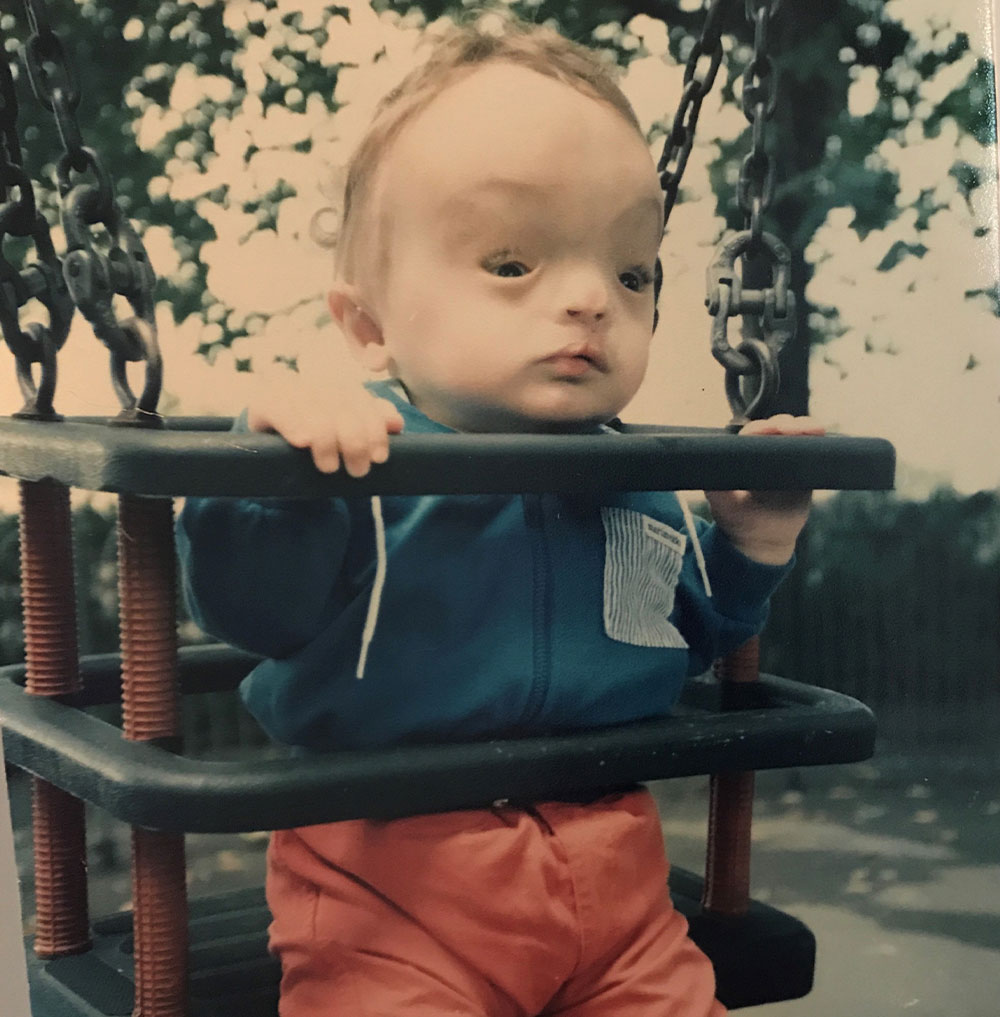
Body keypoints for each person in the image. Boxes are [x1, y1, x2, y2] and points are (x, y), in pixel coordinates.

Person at [177, 15, 822, 1017]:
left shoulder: (634, 475)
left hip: (616, 886)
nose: (588, 301)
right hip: (387, 883)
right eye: (513, 263)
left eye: (630, 272)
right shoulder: (355, 459)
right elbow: (248, 611)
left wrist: (753, 540)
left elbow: (685, 634)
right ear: (367, 323)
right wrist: (275, 468)